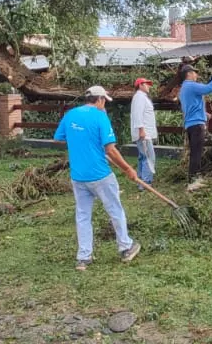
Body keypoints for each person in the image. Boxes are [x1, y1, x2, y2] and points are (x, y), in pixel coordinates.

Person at [53, 86, 141, 271]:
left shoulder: (70, 114)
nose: (104, 106)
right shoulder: (100, 116)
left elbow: (59, 138)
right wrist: (128, 169)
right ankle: (126, 247)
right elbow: (110, 149)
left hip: (78, 176)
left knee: (83, 215)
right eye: (104, 102)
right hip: (100, 175)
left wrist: (82, 142)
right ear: (99, 99)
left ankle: (83, 258)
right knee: (115, 209)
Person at [178, 64, 212, 192]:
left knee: (195, 152)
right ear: (189, 74)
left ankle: (193, 178)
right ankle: (193, 181)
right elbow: (210, 88)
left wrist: (204, 114)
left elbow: (190, 107)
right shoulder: (191, 85)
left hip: (191, 124)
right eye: (195, 72)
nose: (196, 75)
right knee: (197, 153)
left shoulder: (183, 89)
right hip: (196, 125)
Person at [129, 77, 158, 190]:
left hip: (145, 132)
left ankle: (141, 182)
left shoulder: (141, 97)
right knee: (149, 157)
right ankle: (146, 183)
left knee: (143, 157)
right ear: (140, 85)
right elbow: (137, 114)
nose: (149, 86)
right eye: (146, 84)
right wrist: (141, 130)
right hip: (144, 133)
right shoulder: (139, 97)